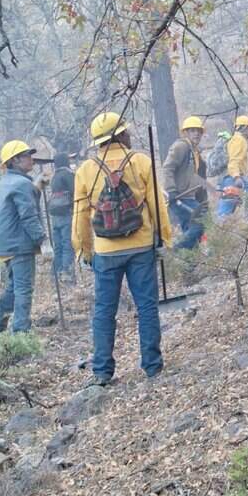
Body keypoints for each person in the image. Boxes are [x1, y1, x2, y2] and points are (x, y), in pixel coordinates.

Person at [72, 112, 172, 385]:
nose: (129, 136)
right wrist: (164, 238)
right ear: (120, 135)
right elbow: (156, 205)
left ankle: (103, 371)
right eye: (125, 131)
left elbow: (80, 215)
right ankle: (152, 366)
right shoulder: (140, 161)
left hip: (105, 251)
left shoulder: (86, 170)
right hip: (141, 247)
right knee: (147, 307)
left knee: (104, 311)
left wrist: (84, 250)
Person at [0, 140, 46, 335]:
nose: (32, 158)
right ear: (14, 161)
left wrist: (36, 189)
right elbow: (28, 216)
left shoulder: (6, 182)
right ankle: (21, 333)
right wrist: (42, 241)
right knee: (23, 289)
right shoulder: (21, 183)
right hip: (19, 244)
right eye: (27, 155)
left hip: (7, 245)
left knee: (14, 288)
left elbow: (21, 206)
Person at [163, 116, 209, 249]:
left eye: (199, 131)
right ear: (186, 133)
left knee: (190, 229)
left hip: (188, 196)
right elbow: (167, 168)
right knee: (203, 221)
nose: (196, 134)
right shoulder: (181, 146)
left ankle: (188, 265)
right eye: (192, 130)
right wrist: (171, 190)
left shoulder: (194, 151)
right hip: (179, 197)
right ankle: (176, 249)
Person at [216, 115, 248, 219]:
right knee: (226, 209)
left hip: (232, 176)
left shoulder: (235, 139)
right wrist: (236, 177)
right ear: (245, 128)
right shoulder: (239, 140)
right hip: (232, 177)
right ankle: (220, 231)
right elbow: (233, 161)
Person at [46, 151, 76, 282]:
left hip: (55, 216)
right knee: (67, 244)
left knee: (58, 246)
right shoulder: (68, 175)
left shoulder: (54, 177)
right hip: (66, 214)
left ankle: (55, 273)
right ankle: (67, 274)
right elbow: (76, 192)